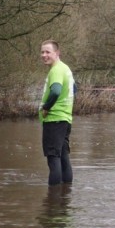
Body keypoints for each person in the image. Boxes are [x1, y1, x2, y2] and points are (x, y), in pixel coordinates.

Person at [39, 40, 75, 186]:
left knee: (53, 159)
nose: (44, 55)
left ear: (57, 53)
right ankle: (66, 194)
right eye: (42, 52)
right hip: (65, 119)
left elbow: (55, 91)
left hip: (54, 120)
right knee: (64, 158)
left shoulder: (56, 70)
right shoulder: (65, 68)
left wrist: (46, 108)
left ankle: (53, 197)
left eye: (48, 52)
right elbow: (74, 89)